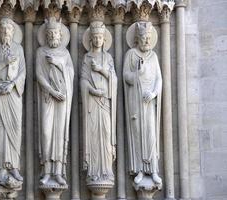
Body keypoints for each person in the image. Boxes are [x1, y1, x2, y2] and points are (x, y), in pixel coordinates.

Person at [0, 18, 26, 185]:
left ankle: (14, 166)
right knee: (1, 129)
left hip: (13, 94)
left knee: (15, 129)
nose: (5, 34)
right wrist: (4, 63)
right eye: (2, 31)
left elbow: (23, 72)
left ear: (13, 33)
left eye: (8, 31)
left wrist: (13, 85)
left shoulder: (19, 49)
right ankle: (3, 167)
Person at [36, 17, 74, 186]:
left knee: (59, 133)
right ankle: (47, 170)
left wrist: (58, 63)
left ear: (60, 35)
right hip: (48, 97)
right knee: (46, 132)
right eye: (49, 33)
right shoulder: (40, 52)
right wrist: (52, 91)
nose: (52, 36)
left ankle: (58, 171)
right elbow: (39, 75)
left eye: (55, 33)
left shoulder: (65, 54)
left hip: (62, 99)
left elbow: (71, 74)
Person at [123, 21, 162, 185]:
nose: (147, 41)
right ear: (137, 39)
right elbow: (126, 76)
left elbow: (159, 79)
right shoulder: (131, 54)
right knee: (137, 134)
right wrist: (137, 73)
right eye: (144, 38)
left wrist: (153, 93)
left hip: (149, 103)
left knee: (150, 134)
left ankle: (152, 170)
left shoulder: (153, 56)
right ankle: (139, 169)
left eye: (149, 38)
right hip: (135, 101)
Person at [81, 21, 117, 185]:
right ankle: (94, 171)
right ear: (91, 39)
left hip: (105, 103)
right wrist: (92, 90)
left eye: (100, 37)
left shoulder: (108, 58)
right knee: (94, 135)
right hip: (92, 102)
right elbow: (82, 81)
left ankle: (107, 171)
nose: (97, 40)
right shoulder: (86, 58)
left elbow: (114, 80)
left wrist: (100, 70)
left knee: (106, 134)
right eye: (95, 37)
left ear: (104, 40)